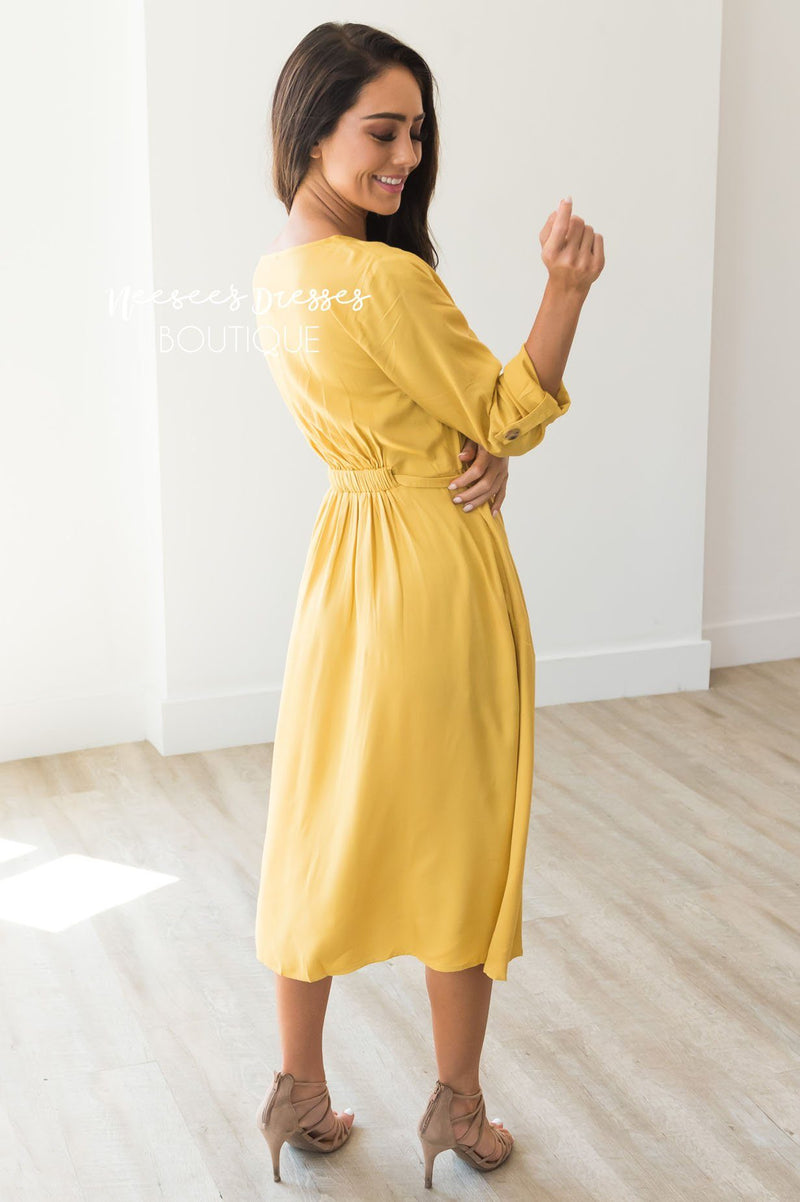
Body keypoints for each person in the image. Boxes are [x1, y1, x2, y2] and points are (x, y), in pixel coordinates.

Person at [251, 21, 603, 1188]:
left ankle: (296, 1086)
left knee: (321, 818)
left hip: (345, 563)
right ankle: (456, 1106)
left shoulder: (280, 272)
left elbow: (398, 412)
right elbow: (501, 412)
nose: (405, 155)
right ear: (312, 129)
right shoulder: (382, 276)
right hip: (430, 569)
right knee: (458, 827)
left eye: (415, 131)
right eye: (381, 131)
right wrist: (564, 290)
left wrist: (465, 439)